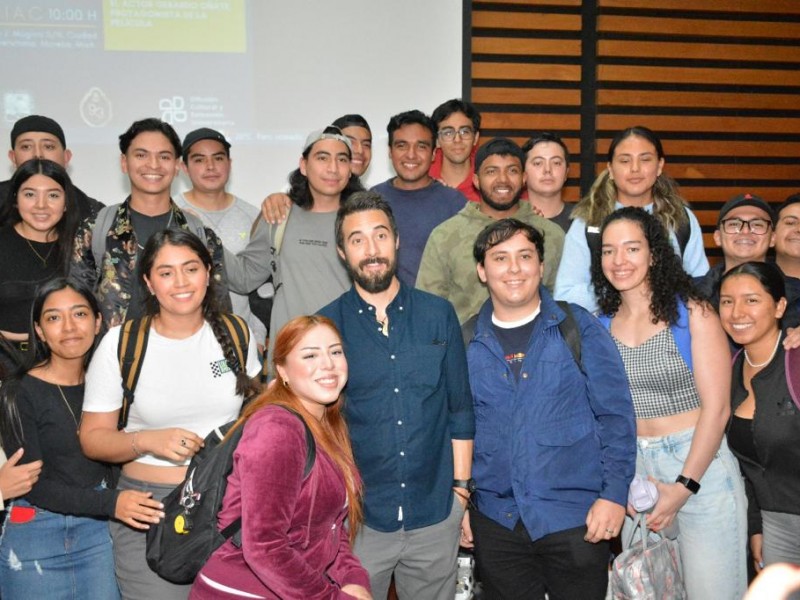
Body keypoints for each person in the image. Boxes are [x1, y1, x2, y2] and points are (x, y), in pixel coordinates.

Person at [79, 229, 262, 600]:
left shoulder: (236, 332)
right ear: (148, 282)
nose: (180, 282)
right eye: (165, 272)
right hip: (150, 508)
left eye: (190, 268)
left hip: (227, 503)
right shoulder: (122, 344)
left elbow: (258, 416)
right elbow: (92, 439)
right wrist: (148, 441)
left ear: (208, 273)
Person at [465, 217, 636, 599]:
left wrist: (614, 495)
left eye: (525, 256)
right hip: (497, 522)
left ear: (541, 266)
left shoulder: (578, 327)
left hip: (577, 518)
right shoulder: (466, 341)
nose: (514, 269)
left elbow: (616, 417)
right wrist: (461, 505)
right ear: (481, 270)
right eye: (500, 258)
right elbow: (459, 432)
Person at [319, 191, 474, 600]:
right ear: (342, 251)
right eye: (357, 240)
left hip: (435, 514)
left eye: (380, 235)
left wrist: (460, 491)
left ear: (397, 240)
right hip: (359, 522)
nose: (371, 250)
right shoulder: (325, 327)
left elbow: (460, 408)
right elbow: (316, 426)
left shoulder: (438, 313)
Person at [592, 206, 748, 598]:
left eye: (631, 248)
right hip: (635, 476)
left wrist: (683, 487)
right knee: (647, 589)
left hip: (698, 467)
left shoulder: (693, 312)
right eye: (608, 251)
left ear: (654, 253)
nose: (619, 260)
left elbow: (718, 409)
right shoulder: (599, 325)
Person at [0, 277, 162, 599]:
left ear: (98, 320)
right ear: (40, 331)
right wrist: (112, 502)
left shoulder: (114, 382)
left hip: (99, 533)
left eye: (80, 314)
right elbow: (33, 485)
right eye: (54, 318)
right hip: (36, 530)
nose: (69, 327)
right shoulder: (20, 391)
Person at [191, 315, 371, 599]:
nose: (328, 363)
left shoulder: (326, 424)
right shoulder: (277, 430)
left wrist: (352, 577)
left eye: (335, 351)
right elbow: (264, 546)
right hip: (242, 591)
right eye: (310, 355)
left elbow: (327, 528)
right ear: (282, 371)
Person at [224, 125, 363, 370]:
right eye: (322, 158)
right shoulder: (279, 217)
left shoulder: (363, 220)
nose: (332, 168)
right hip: (290, 357)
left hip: (348, 356)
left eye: (342, 160)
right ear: (303, 165)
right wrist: (201, 237)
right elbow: (244, 278)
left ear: (350, 169)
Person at [71, 118, 231, 328]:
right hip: (115, 358)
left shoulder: (199, 235)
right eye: (141, 155)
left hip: (186, 358)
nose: (153, 164)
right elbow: (75, 311)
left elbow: (220, 318)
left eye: (164, 156)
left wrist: (222, 363)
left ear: (176, 166)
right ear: (124, 162)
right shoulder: (95, 231)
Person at [556, 125, 709, 312]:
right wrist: (621, 287)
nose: (635, 169)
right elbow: (565, 295)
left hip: (672, 329)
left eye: (645, 159)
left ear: (660, 166)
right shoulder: (589, 221)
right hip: (606, 333)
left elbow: (701, 288)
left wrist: (655, 292)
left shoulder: (680, 219)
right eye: (625, 161)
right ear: (610, 169)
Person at [417, 137, 564, 324]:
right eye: (491, 171)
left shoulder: (552, 235)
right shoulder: (445, 236)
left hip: (540, 347)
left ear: (524, 178)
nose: (502, 180)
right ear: (476, 180)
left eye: (512, 171)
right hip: (465, 348)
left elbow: (562, 303)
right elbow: (428, 309)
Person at [719, 261, 800, 572]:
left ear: (779, 307)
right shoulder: (729, 370)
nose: (737, 313)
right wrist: (756, 525)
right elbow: (748, 466)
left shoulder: (794, 358)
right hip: (776, 525)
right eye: (727, 301)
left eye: (751, 300)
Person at [175, 127, 268, 347]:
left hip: (239, 341)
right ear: (184, 168)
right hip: (183, 340)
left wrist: (257, 335)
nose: (210, 167)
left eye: (218, 158)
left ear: (229, 163)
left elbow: (261, 287)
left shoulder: (252, 215)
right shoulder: (173, 213)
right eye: (199, 160)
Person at [371, 110, 466, 285]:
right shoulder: (372, 200)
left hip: (438, 308)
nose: (411, 154)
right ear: (390, 152)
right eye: (402, 145)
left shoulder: (455, 203)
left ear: (433, 154)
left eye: (421, 146)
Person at [0, 159, 81, 356]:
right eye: (30, 194)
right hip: (6, 361)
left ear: (66, 203)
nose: (41, 205)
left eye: (53, 195)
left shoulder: (81, 247)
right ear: (15, 200)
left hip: (67, 361)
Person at [260, 114, 373, 224]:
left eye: (366, 144)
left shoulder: (368, 209)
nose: (359, 150)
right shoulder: (285, 204)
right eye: (323, 158)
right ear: (304, 165)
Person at [1, 114, 103, 223]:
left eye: (48, 146)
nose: (38, 154)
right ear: (13, 157)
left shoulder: (95, 213)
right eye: (26, 147)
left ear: (66, 157)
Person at [694, 193, 776, 308]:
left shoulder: (796, 296)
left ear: (773, 238)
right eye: (734, 224)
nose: (746, 231)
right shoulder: (688, 294)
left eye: (757, 225)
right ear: (717, 237)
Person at [429, 99, 481, 202]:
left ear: (475, 138)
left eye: (464, 132)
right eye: (448, 133)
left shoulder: (488, 180)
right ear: (437, 140)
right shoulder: (423, 179)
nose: (457, 140)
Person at [521, 132, 573, 232]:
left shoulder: (583, 221)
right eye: (538, 163)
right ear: (523, 174)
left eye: (556, 163)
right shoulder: (511, 222)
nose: (548, 170)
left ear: (566, 172)